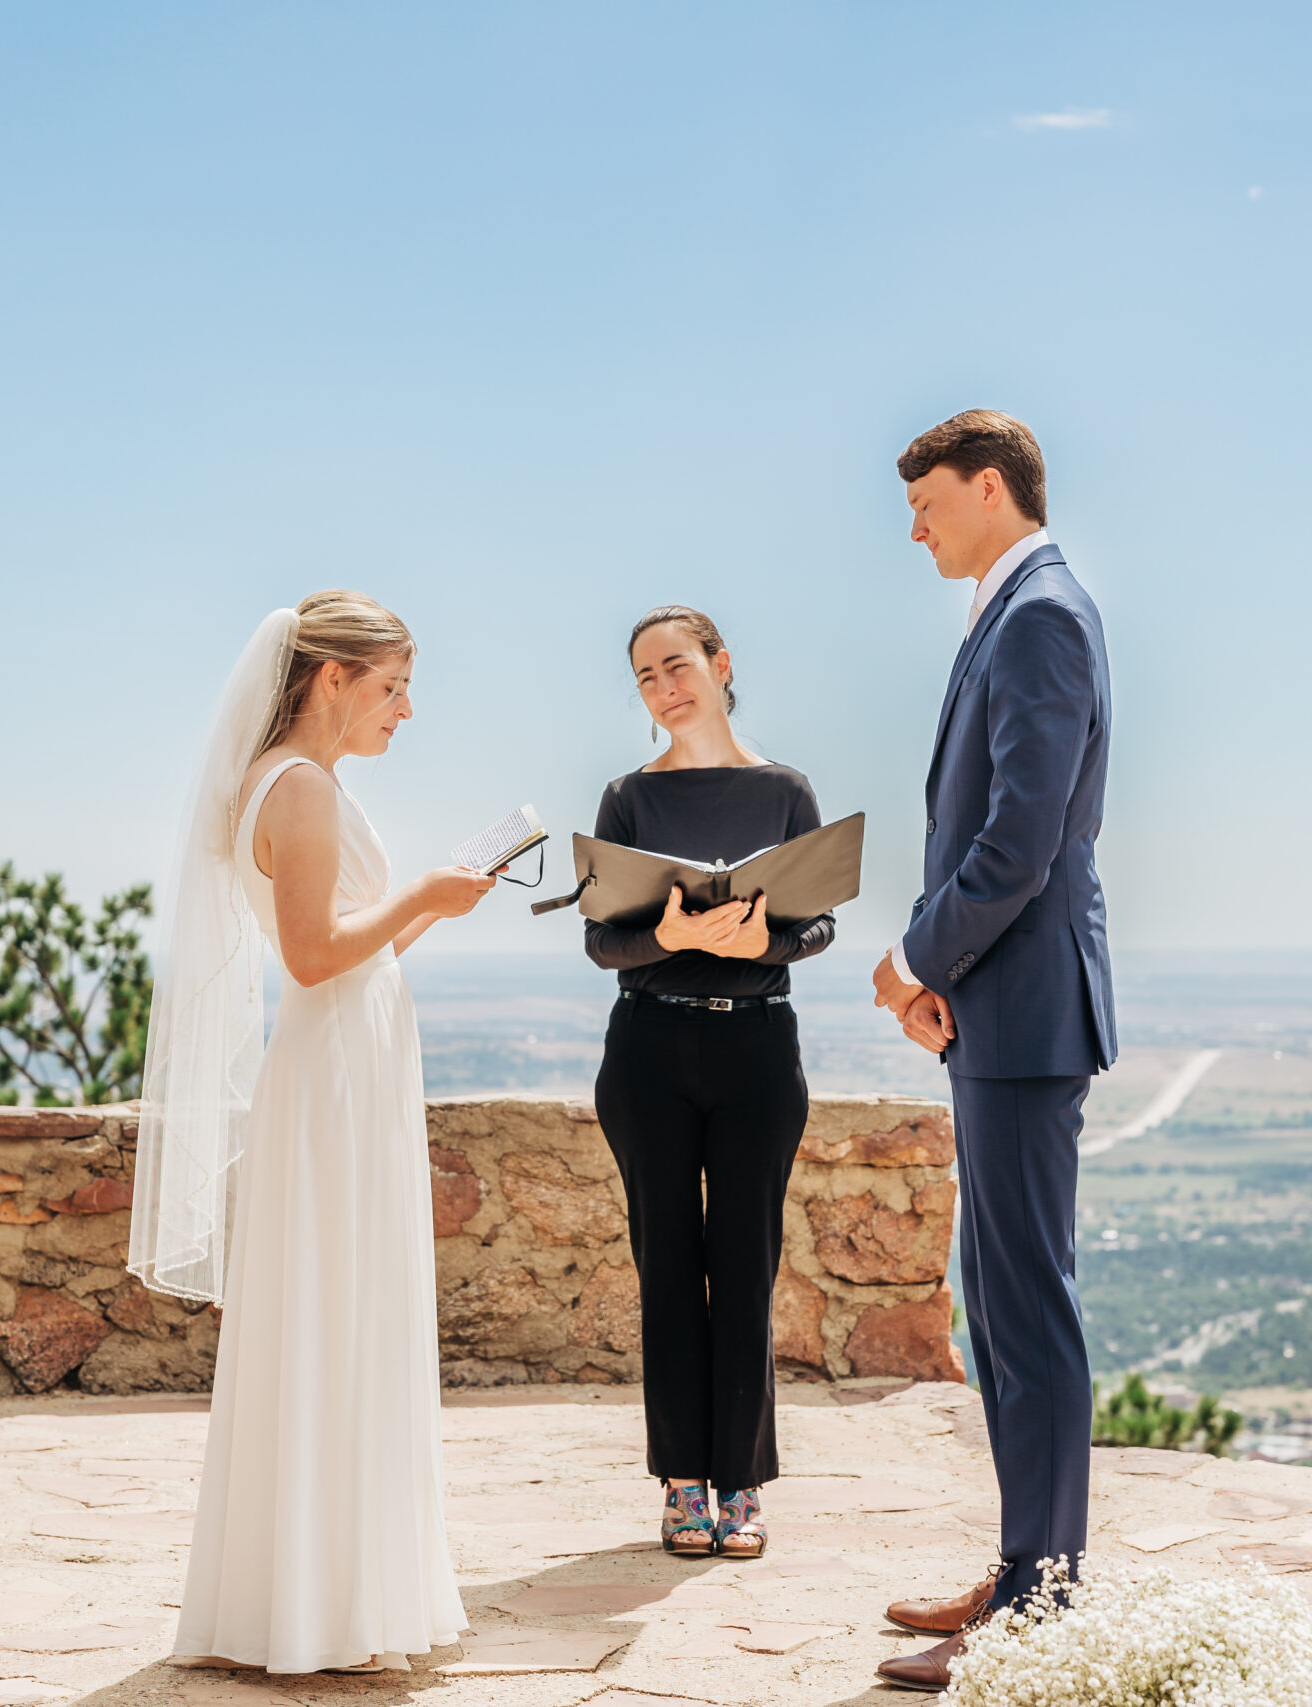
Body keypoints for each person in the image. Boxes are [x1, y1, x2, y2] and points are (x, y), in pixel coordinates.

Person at [131, 591, 495, 1676]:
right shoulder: (296, 790)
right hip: (332, 1075)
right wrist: (422, 890)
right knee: (336, 1308)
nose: (405, 710)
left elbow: (353, 951)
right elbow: (308, 954)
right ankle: (319, 1606)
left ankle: (325, 1595)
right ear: (331, 679)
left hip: (350, 1062)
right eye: (391, 687)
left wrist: (433, 906)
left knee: (347, 1308)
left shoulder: (305, 787)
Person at [866, 412, 1117, 1693]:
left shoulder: (1040, 615)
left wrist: (915, 959)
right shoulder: (1013, 611)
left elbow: (1018, 843)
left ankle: (1045, 1598)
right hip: (999, 1009)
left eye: (924, 503)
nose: (912, 527)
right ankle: (1026, 1566)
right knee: (999, 1307)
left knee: (1028, 1309)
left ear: (986, 486)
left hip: (1020, 1011)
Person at [583, 605, 836, 1561]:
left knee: (745, 1267)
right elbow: (602, 939)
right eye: (645, 675)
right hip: (649, 1050)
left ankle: (743, 1483)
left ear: (721, 664)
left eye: (677, 665)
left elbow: (819, 923)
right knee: (667, 1270)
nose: (664, 687)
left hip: (759, 1050)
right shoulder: (626, 800)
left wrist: (763, 937)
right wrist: (673, 937)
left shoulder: (785, 790)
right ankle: (681, 1482)